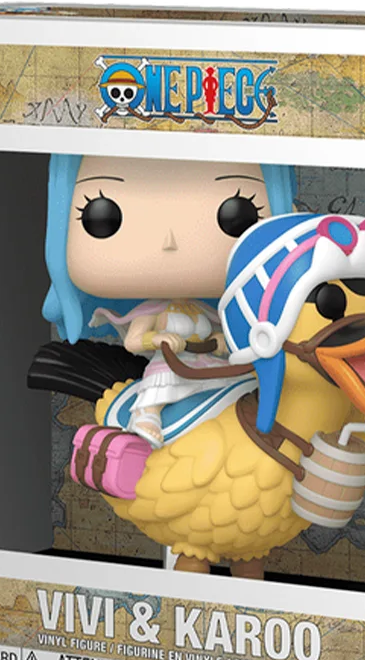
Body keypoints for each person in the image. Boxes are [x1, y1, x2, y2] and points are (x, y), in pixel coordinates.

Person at [41, 153, 297, 446]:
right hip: (170, 368)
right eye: (103, 215)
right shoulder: (152, 311)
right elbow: (133, 342)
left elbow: (219, 333)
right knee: (161, 380)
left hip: (206, 366)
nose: (170, 241)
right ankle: (146, 413)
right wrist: (158, 340)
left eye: (239, 213)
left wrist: (219, 340)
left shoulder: (203, 310)